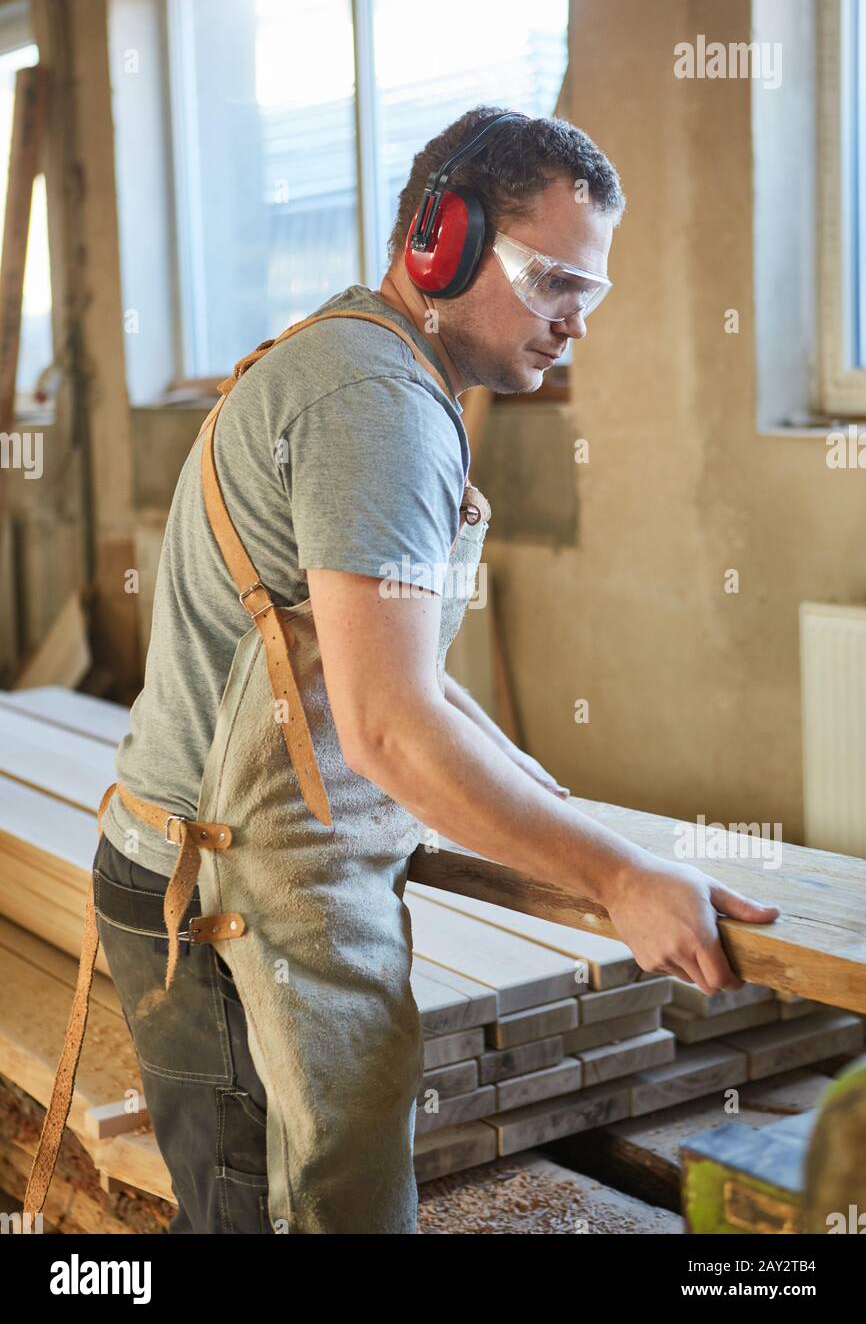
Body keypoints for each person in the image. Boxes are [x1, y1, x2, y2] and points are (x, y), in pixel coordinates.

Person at [26, 105, 779, 1235]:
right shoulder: (376, 406)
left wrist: (539, 799)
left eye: (591, 293)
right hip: (228, 893)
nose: (574, 324)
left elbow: (389, 669)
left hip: (211, 863)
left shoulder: (355, 358)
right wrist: (619, 880)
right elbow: (384, 728)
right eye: (552, 284)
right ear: (444, 242)